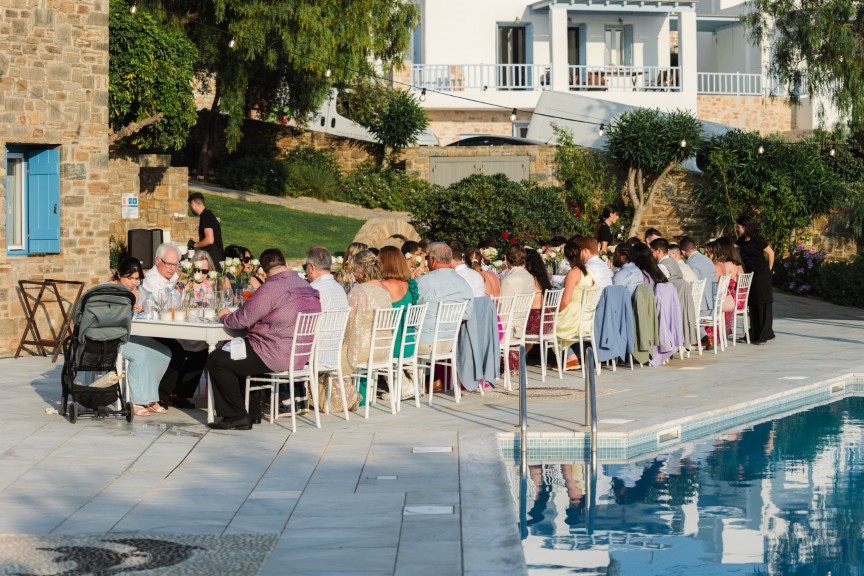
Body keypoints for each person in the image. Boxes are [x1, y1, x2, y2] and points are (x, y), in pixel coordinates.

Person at [207, 248, 322, 430]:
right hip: (299, 354)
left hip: (274, 353)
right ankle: (253, 412)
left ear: (264, 269)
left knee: (217, 359)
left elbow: (242, 319)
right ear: (284, 263)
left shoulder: (270, 289)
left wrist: (224, 316)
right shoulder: (305, 285)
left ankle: (236, 415)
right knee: (238, 353)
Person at [142, 243, 208, 409]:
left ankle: (180, 393)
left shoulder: (174, 278)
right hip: (151, 328)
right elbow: (165, 304)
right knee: (177, 350)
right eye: (168, 264)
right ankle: (161, 395)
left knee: (201, 348)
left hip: (171, 327)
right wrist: (180, 290)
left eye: (175, 264)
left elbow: (181, 304)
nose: (172, 268)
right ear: (158, 260)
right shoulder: (151, 280)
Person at [111, 257, 171, 417]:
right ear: (119, 274)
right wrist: (132, 306)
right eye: (129, 278)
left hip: (128, 335)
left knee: (164, 352)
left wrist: (137, 303)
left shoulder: (135, 291)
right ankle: (136, 401)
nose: (133, 282)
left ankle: (150, 398)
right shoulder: (110, 290)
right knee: (141, 355)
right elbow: (113, 319)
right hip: (111, 338)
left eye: (136, 279)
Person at [416, 242, 474, 392]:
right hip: (449, 343)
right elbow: (467, 314)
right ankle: (428, 380)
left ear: (433, 260)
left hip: (424, 343)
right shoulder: (463, 283)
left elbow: (410, 309)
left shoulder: (422, 281)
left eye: (427, 258)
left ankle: (408, 386)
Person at [342, 250, 392, 407]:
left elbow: (347, 322)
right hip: (383, 349)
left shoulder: (359, 291)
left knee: (332, 353)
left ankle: (349, 397)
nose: (353, 273)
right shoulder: (385, 290)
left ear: (361, 268)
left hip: (363, 350)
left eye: (354, 269)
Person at [379, 246, 420, 401]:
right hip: (409, 342)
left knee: (373, 343)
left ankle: (403, 388)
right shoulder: (410, 285)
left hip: (392, 345)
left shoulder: (382, 286)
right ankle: (408, 384)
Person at [555, 238, 597, 369]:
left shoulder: (573, 273)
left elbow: (565, 301)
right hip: (586, 317)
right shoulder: (589, 271)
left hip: (575, 316)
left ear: (566, 257)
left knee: (550, 324)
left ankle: (570, 356)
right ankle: (577, 355)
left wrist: (555, 311)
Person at [736, 215, 775, 344]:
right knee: (753, 304)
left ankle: (764, 334)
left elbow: (771, 253)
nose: (737, 228)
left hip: (762, 274)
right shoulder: (741, 240)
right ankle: (754, 333)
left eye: (739, 226)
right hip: (750, 275)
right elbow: (732, 248)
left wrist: (769, 270)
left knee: (762, 303)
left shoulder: (757, 239)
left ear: (745, 227)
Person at [706, 236, 745, 344]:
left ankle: (710, 335)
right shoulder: (739, 264)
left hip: (729, 298)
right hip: (739, 297)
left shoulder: (725, 265)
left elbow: (723, 283)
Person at [681, 237, 717, 322]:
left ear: (683, 252)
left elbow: (693, 285)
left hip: (703, 306)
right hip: (713, 302)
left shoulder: (690, 263)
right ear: (696, 247)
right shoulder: (708, 260)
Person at [304, 246, 349, 311]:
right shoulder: (341, 289)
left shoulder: (311, 290)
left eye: (305, 266)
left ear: (312, 267)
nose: (305, 270)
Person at [187, 192, 224, 265]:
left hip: (214, 259)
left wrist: (195, 244)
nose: (190, 208)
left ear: (193, 203)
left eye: (190, 206)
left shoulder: (205, 217)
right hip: (216, 258)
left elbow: (210, 240)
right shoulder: (208, 215)